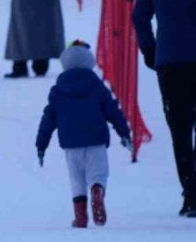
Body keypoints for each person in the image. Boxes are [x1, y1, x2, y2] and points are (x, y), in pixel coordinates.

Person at [133, 0, 196, 217]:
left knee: (180, 129)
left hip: (170, 61)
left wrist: (150, 49)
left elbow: (140, 15)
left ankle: (190, 193)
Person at [36, 41, 132, 227]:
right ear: (89, 62)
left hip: (70, 143)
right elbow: (113, 110)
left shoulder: (58, 90)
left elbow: (48, 119)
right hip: (96, 140)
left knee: (76, 178)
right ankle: (97, 191)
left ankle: (80, 217)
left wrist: (41, 145)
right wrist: (124, 133)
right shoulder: (96, 86)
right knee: (98, 174)